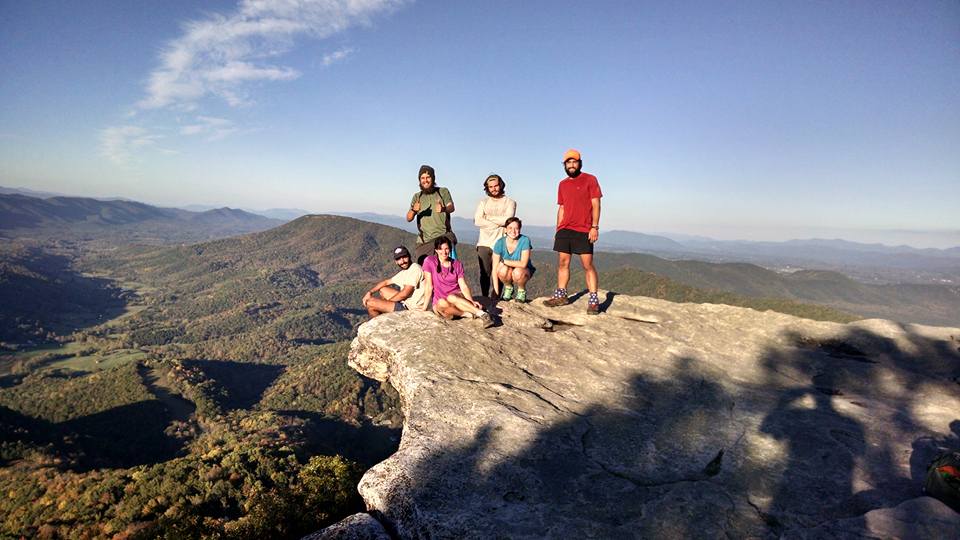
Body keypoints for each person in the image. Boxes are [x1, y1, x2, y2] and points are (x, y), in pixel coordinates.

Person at [543, 149, 603, 314]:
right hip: (565, 229)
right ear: (564, 165)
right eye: (568, 162)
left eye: (574, 162)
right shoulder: (562, 184)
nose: (571, 165)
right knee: (563, 263)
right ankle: (561, 295)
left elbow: (596, 204)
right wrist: (558, 229)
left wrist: (594, 227)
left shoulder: (590, 179)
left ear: (579, 163)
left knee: (587, 265)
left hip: (584, 229)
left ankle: (593, 300)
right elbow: (562, 208)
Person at [421, 236, 494, 328]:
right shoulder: (430, 261)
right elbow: (429, 286)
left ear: (450, 249)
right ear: (436, 250)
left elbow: (463, 285)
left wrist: (470, 301)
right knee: (441, 303)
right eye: (440, 249)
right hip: (442, 303)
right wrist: (424, 307)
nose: (444, 252)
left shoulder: (457, 264)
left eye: (446, 248)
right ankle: (467, 314)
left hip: (456, 297)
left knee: (451, 297)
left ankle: (482, 314)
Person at [473, 173, 516, 298]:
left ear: (501, 185)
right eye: (490, 187)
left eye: (496, 186)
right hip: (483, 243)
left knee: (499, 272)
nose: (493, 189)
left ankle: (496, 296)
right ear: (487, 188)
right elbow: (477, 221)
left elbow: (508, 220)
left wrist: (488, 218)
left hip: (501, 242)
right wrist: (499, 222)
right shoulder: (483, 202)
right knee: (485, 273)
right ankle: (485, 297)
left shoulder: (510, 202)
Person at [406, 164, 457, 265]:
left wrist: (443, 209)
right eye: (422, 178)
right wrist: (414, 210)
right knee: (424, 271)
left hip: (444, 236)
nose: (425, 180)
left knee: (449, 268)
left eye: (428, 177)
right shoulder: (417, 196)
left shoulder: (442, 191)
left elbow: (451, 207)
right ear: (419, 180)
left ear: (433, 178)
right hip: (424, 241)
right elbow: (409, 218)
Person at [361, 246, 425, 318]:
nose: (402, 261)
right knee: (383, 290)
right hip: (406, 302)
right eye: (399, 259)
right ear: (396, 261)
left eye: (404, 257)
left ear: (409, 256)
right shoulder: (405, 271)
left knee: (370, 303)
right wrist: (370, 292)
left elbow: (405, 293)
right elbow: (386, 282)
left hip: (411, 308)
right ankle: (383, 315)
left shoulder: (415, 269)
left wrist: (386, 303)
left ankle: (380, 323)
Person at [492, 217, 534, 303]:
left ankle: (521, 291)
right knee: (501, 269)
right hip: (508, 270)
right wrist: (496, 292)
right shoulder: (499, 243)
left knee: (517, 272)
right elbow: (494, 269)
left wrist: (504, 261)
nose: (513, 231)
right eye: (510, 228)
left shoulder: (525, 240)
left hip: (523, 271)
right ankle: (508, 288)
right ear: (505, 229)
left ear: (520, 229)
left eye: (516, 228)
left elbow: (523, 264)